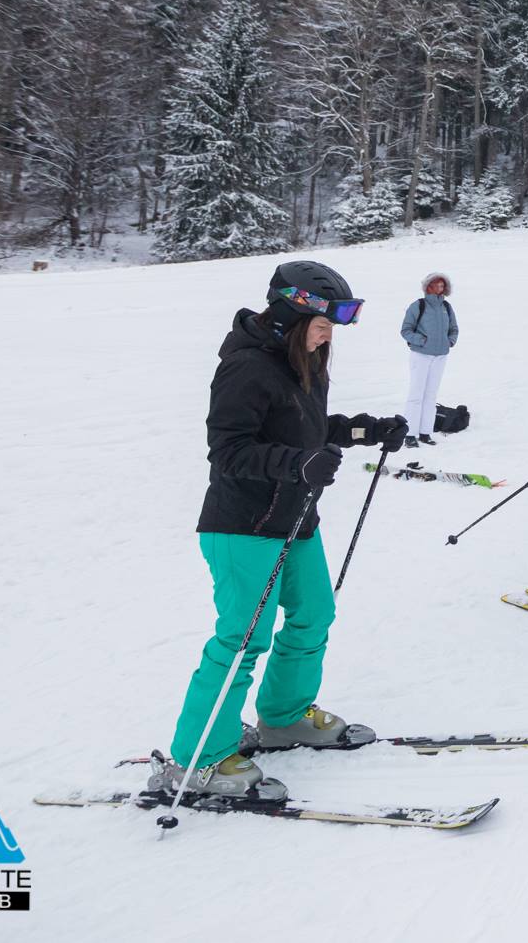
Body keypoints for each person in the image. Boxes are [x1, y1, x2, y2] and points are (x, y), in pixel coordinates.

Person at [148, 260, 408, 803]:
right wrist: (297, 464)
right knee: (244, 638)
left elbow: (311, 427)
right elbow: (230, 449)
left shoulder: (304, 359)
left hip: (295, 520)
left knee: (315, 614)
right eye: (323, 321)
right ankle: (199, 757)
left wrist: (368, 429)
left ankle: (285, 716)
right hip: (243, 525)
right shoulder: (247, 366)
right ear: (292, 309)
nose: (329, 333)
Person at [398, 272, 458, 446]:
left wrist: (450, 341)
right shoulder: (418, 305)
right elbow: (406, 330)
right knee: (416, 395)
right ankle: (410, 434)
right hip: (421, 355)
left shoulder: (446, 307)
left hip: (440, 356)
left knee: (431, 396)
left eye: (441, 285)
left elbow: (454, 328)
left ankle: (425, 432)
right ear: (427, 286)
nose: (438, 288)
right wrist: (422, 341)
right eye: (435, 284)